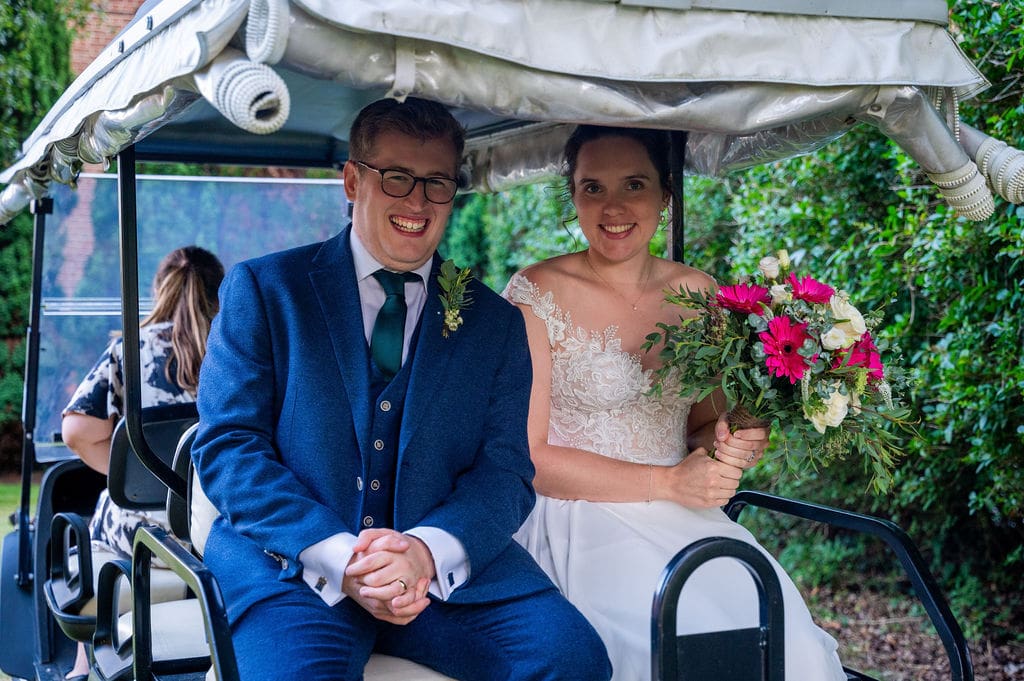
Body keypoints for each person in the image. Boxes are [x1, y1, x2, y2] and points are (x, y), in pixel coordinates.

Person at [190, 97, 611, 681]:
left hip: (443, 578)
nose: (417, 201)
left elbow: (507, 472)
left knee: (572, 660)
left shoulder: (493, 321)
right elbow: (229, 448)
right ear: (352, 179)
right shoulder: (267, 290)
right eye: (396, 178)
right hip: (292, 567)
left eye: (436, 183)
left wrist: (425, 552)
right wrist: (342, 559)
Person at [503, 125, 847, 681]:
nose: (613, 207)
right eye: (593, 188)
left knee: (790, 649)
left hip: (686, 515)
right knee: (671, 650)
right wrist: (666, 484)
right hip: (578, 517)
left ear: (665, 194)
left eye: (632, 185)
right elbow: (530, 458)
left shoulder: (700, 293)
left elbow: (702, 425)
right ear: (573, 196)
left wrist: (737, 435)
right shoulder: (535, 294)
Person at [61, 245, 224, 681]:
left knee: (103, 510)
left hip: (146, 536)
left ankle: (83, 665)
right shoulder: (238, 350)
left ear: (160, 290)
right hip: (214, 530)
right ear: (221, 292)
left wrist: (134, 480)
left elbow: (76, 431)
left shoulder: (132, 349)